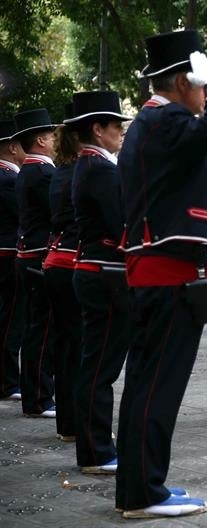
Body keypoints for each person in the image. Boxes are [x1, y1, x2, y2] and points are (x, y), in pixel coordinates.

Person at [116, 29, 207, 518]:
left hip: (161, 273)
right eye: (199, 81)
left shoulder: (154, 122)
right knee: (156, 388)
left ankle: (143, 487)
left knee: (149, 386)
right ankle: (144, 492)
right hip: (164, 278)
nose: (203, 92)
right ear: (182, 81)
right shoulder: (163, 118)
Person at [68, 91, 132, 474]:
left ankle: (94, 447)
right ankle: (96, 451)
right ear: (98, 129)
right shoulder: (101, 170)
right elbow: (121, 225)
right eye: (116, 127)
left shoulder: (92, 166)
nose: (122, 133)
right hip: (105, 275)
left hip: (96, 271)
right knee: (100, 368)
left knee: (95, 364)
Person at [13, 107, 58, 418]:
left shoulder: (28, 171)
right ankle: (39, 398)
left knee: (34, 328)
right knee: (42, 331)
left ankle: (34, 394)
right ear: (41, 139)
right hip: (40, 256)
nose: (56, 140)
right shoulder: (43, 174)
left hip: (27, 254)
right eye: (52, 136)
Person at [44, 108, 82, 442]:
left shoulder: (58, 172)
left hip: (56, 260)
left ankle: (66, 424)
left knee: (65, 345)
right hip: (74, 262)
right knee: (82, 347)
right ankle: (77, 423)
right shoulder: (84, 172)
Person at [0, 120, 24, 401]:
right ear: (12, 147)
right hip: (8, 255)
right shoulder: (9, 179)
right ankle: (8, 379)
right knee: (12, 319)